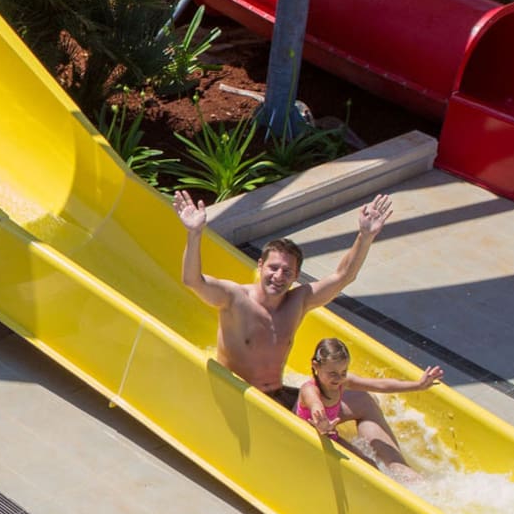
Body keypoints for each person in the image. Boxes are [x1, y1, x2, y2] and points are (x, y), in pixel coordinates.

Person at [174, 190, 422, 479]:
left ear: (296, 276)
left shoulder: (298, 302)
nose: (279, 277)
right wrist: (194, 234)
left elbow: (343, 276)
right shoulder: (234, 298)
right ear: (260, 266)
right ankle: (373, 476)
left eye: (287, 272)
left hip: (279, 396)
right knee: (355, 460)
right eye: (273, 268)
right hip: (246, 403)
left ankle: (401, 472)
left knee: (365, 401)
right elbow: (192, 280)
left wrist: (364, 236)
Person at [295, 338, 442, 465]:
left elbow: (380, 385)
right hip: (310, 438)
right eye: (332, 373)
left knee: (370, 463)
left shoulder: (342, 382)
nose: (338, 378)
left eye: (343, 372)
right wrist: (323, 424)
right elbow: (316, 405)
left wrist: (417, 385)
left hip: (328, 433)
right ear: (316, 366)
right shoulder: (310, 390)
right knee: (367, 465)